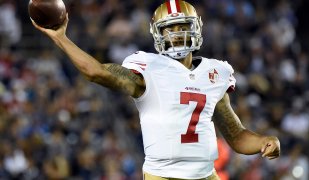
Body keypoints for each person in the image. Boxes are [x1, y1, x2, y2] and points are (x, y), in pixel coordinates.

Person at [31, 0, 281, 179]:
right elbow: (96, 72)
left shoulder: (215, 73)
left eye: (182, 26)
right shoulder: (148, 68)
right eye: (169, 28)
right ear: (157, 34)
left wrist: (264, 141)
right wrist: (61, 38)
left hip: (207, 175)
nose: (176, 34)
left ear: (196, 28)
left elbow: (236, 135)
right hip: (162, 176)